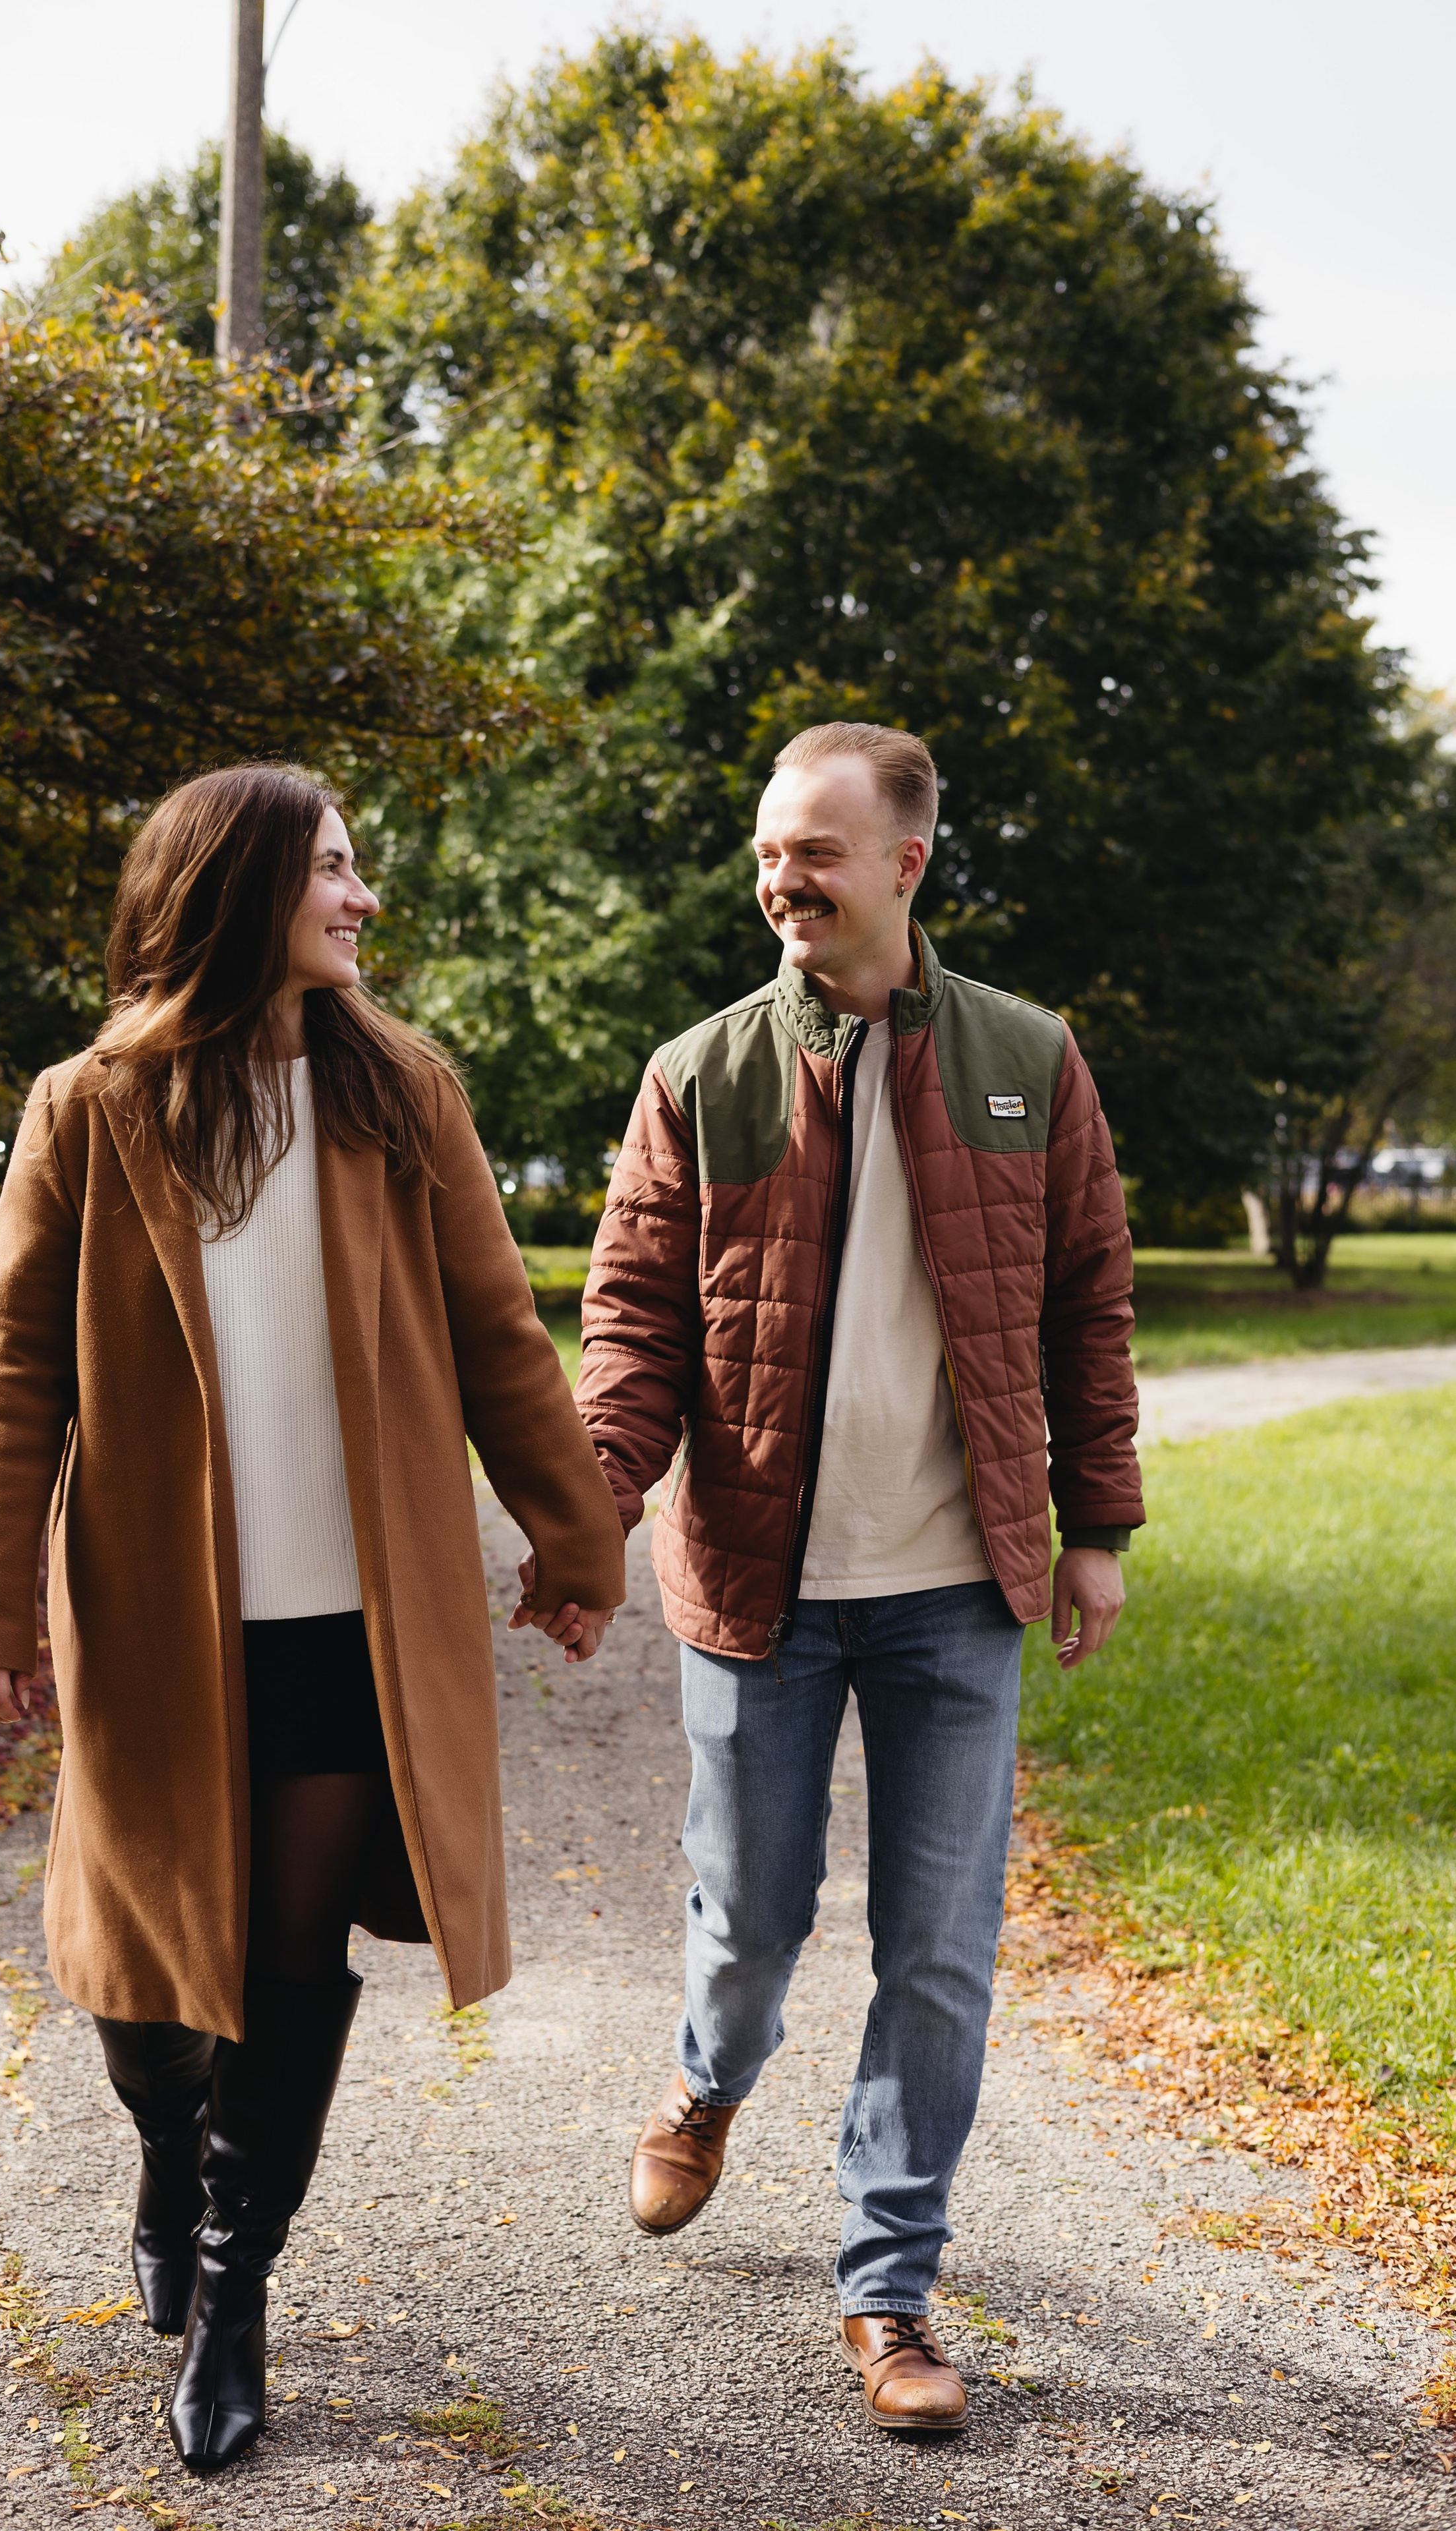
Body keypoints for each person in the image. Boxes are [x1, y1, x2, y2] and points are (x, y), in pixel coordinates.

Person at [0, 763, 624, 2474]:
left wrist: (577, 1537)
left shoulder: (400, 1096)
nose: (364, 898)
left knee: (286, 1962)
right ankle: (171, 2153)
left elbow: (499, 1332)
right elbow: (18, 1369)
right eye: (334, 868)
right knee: (144, 1986)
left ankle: (236, 2296)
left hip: (354, 1620)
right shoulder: (91, 1107)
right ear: (242, 886)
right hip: (161, 1623)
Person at [569, 721, 1144, 2433]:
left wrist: (1097, 1530)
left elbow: (1089, 1313)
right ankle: (702, 2079)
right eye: (766, 849)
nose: (778, 877)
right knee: (752, 1922)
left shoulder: (1028, 1065)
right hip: (760, 1585)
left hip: (957, 1590)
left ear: (907, 862)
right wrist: (593, 1496)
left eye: (811, 850)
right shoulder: (705, 1074)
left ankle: (890, 2290)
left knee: (942, 1948)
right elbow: (635, 1319)